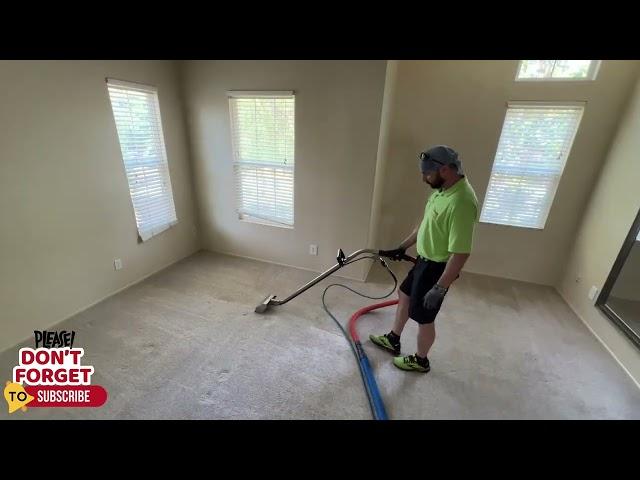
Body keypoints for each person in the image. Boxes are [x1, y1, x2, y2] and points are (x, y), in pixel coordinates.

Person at [372, 145, 478, 373]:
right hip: (423, 260)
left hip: (437, 268)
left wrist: (440, 287)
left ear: (447, 170)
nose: (424, 179)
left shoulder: (462, 202)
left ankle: (421, 360)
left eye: (427, 174)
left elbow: (461, 252)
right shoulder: (441, 191)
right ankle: (394, 338)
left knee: (424, 316)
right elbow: (424, 224)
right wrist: (402, 247)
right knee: (404, 295)